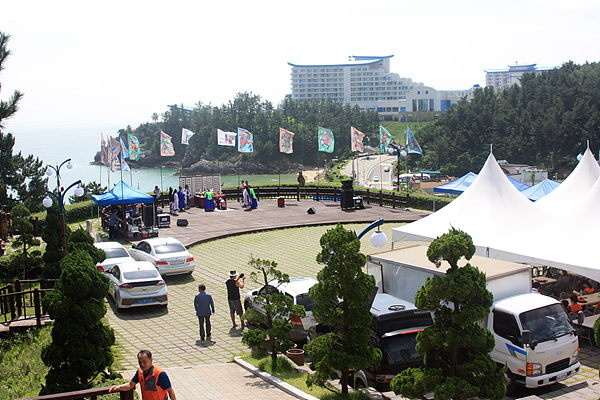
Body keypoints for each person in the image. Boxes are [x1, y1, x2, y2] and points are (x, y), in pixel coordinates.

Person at [109, 349, 177, 400]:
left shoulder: (160, 374)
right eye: (140, 362)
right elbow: (130, 385)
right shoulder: (140, 372)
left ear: (151, 360)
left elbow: (170, 391)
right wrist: (118, 387)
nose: (142, 364)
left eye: (144, 362)